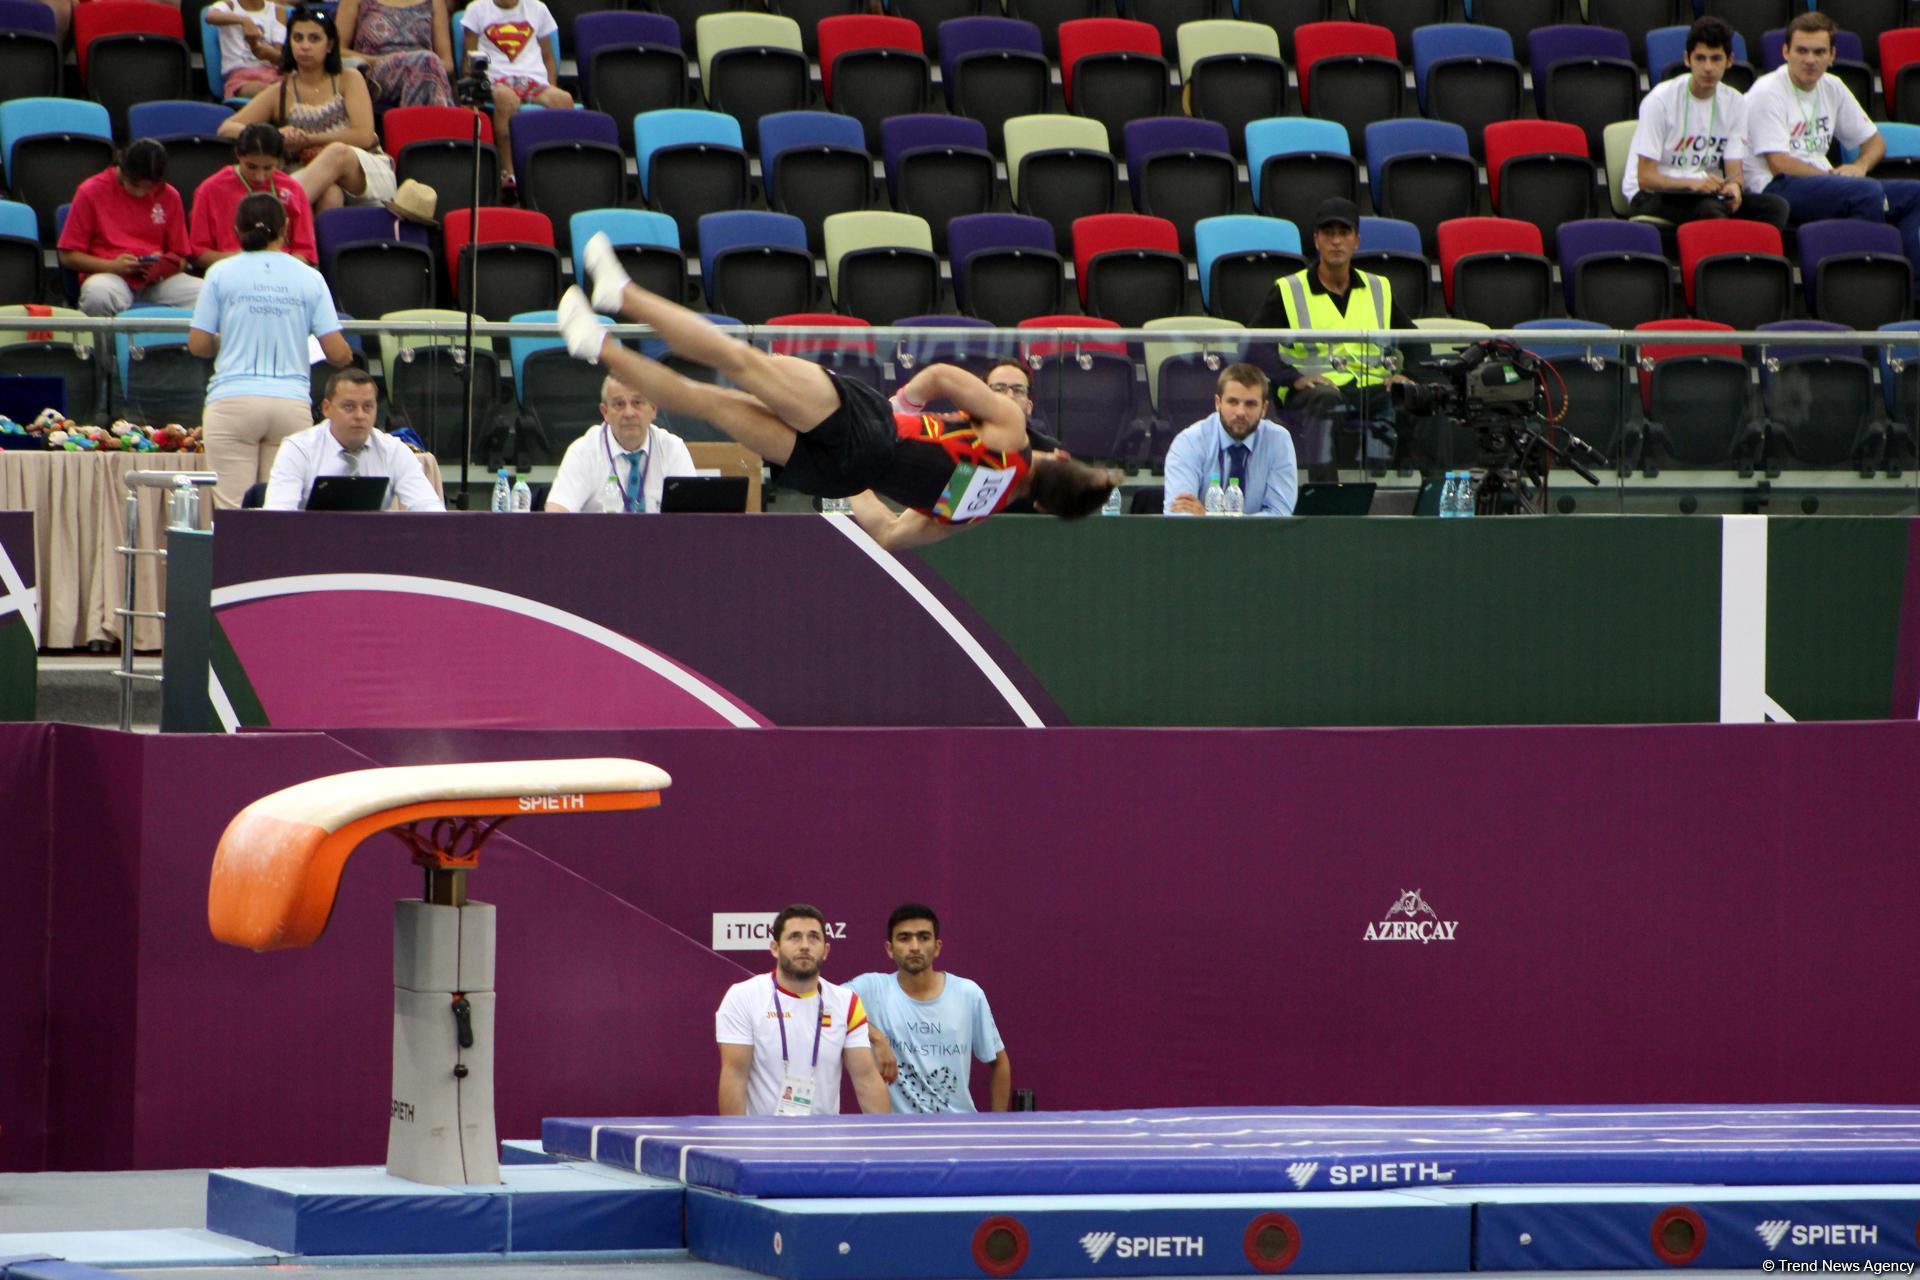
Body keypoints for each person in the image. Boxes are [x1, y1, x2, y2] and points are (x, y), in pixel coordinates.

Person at [554, 235, 1120, 549]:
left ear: (1058, 458)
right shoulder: (974, 512)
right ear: (1042, 506)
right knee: (711, 404)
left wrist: (898, 410)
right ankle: (599, 345)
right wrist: (860, 481)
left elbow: (944, 376)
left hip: (870, 427)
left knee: (740, 361)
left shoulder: (1011, 434)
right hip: (842, 474)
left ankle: (622, 294)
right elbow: (889, 534)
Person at [189, 192, 354, 509]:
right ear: (286, 227)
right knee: (279, 511)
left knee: (234, 512)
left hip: (232, 401)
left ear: (236, 229)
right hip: (290, 404)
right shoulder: (310, 277)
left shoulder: (220, 272)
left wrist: (224, 342)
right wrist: (346, 355)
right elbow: (336, 353)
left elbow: (198, 344)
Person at [1745, 10, 1920, 293]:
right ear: (1785, 52)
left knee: (1915, 194)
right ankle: (1862, 285)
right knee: (1867, 193)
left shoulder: (1832, 86)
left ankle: (1913, 290)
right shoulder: (1767, 92)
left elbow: (1875, 142)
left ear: (1832, 55)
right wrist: (1836, 180)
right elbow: (1779, 163)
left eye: (1819, 52)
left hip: (1823, 182)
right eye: (1801, 51)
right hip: (1777, 186)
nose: (1810, 60)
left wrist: (1859, 167)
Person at [1250, 198, 1414, 475]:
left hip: (1373, 389)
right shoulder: (1289, 289)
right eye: (1328, 233)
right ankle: (1326, 493)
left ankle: (1436, 492)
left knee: (1420, 396)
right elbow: (1253, 346)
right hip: (1314, 394)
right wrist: (1293, 378)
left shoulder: (1379, 287)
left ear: (1356, 241)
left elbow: (1417, 343)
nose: (1336, 241)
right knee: (1325, 400)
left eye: (1344, 233)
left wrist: (1405, 375)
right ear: (1316, 240)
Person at [715, 904, 892, 1117]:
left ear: (825, 951)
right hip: (763, 1136)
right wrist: (734, 1137)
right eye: (795, 937)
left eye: (814, 937)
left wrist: (885, 1134)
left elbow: (866, 1079)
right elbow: (735, 1077)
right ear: (775, 948)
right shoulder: (743, 997)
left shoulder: (847, 1002)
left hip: (825, 1136)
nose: (805, 946)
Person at [218, 6, 395, 214]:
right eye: (298, 38)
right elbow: (226, 128)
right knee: (330, 194)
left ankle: (270, 212)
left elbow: (364, 136)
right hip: (312, 176)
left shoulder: (349, 78)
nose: (305, 46)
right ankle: (299, 232)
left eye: (314, 39)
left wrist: (308, 139)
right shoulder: (279, 91)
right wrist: (275, 135)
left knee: (336, 152)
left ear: (329, 45)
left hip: (364, 172)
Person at [847, 903, 1010, 1115]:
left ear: (937, 947)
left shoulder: (968, 993)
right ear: (889, 949)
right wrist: (876, 1037)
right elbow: (825, 1004)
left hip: (959, 1128)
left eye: (924, 937)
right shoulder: (871, 988)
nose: (915, 947)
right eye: (904, 938)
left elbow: (998, 1062)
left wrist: (997, 1125)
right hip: (895, 1131)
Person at [1626, 19, 1788, 229]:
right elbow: (1646, 178)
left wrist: (1735, 187)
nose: (1708, 68)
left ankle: (1754, 250)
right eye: (1700, 58)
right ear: (1687, 59)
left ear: (1729, 61)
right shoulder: (1659, 101)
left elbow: (1734, 171)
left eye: (1716, 58)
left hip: (1703, 192)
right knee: (1710, 210)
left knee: (1776, 207)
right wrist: (1692, 183)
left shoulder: (1736, 102)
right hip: (1651, 194)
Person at [57, 140, 202, 318]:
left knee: (207, 293)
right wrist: (112, 266)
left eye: (149, 187)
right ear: (122, 170)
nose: (141, 193)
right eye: (135, 185)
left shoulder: (170, 195)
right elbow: (68, 255)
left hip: (157, 281)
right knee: (98, 295)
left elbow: (181, 257)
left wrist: (162, 266)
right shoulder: (91, 191)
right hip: (109, 275)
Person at [263, 368, 442, 510]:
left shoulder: (394, 450)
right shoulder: (298, 449)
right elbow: (278, 516)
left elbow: (430, 509)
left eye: (368, 407)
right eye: (349, 407)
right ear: (326, 408)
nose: (360, 415)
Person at [545, 375, 699, 513]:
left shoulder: (672, 448)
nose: (629, 413)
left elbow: (693, 516)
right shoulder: (583, 451)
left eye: (637, 403)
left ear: (653, 409)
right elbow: (556, 514)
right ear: (605, 412)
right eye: (619, 404)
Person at [1163, 363, 1299, 516]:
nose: (1240, 412)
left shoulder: (1278, 440)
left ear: (1264, 409)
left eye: (1250, 404)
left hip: (1250, 536)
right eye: (1233, 402)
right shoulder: (1189, 442)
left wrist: (1208, 518)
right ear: (1218, 403)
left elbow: (1280, 515)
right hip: (1207, 536)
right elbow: (1178, 515)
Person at [460, 0, 571, 186]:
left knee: (563, 99)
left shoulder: (538, 8)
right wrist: (473, 89)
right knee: (506, 99)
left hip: (532, 79)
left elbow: (548, 57)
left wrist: (552, 86)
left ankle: (559, 169)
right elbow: (468, 59)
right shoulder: (477, 9)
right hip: (496, 80)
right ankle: (509, 173)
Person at [190, 125, 319, 270]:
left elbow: (305, 252)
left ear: (279, 161)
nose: (259, 176)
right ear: (238, 155)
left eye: (268, 168)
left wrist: (277, 267)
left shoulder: (293, 189)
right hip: (232, 270)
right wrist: (245, 261)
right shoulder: (209, 190)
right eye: (251, 166)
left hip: (282, 272)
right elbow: (198, 254)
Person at [337, 0, 455, 110]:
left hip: (426, 69)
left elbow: (448, 63)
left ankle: (411, 122)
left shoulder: (435, 2)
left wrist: (424, 64)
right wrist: (379, 60)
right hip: (374, 71)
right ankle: (442, 122)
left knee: (425, 64)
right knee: (426, 64)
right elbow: (337, 50)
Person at [206, 0, 289, 99]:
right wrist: (244, 20)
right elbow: (210, 16)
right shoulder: (229, 5)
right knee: (270, 92)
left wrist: (269, 54)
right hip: (241, 78)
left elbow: (278, 57)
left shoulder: (278, 11)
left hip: (273, 74)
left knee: (286, 89)